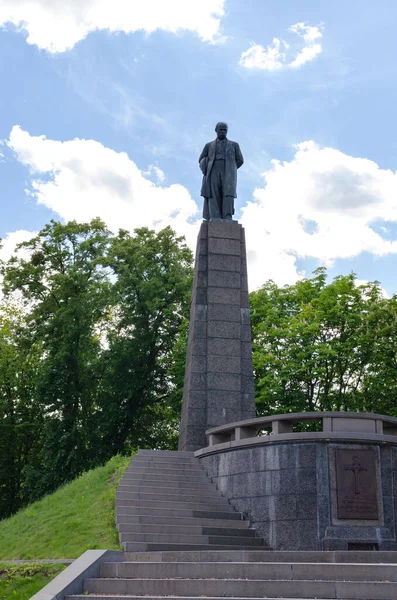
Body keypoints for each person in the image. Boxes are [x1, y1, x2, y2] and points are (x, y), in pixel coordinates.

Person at [199, 122, 244, 221]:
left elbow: (240, 160)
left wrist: (231, 168)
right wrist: (207, 165)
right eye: (221, 129)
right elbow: (201, 159)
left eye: (225, 130)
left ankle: (227, 216)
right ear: (216, 130)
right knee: (213, 193)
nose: (223, 132)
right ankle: (215, 216)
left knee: (228, 193)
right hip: (213, 170)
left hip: (228, 171)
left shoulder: (234, 145)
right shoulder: (208, 145)